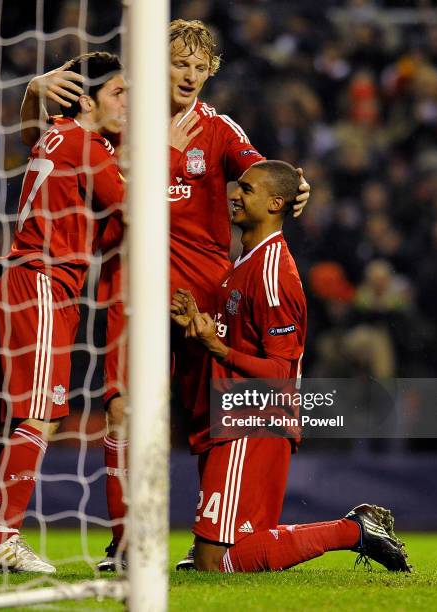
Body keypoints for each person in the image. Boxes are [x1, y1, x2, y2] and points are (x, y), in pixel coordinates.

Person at [19, 19, 311, 571]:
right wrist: (33, 93)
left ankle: (213, 536)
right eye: (181, 63)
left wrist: (295, 187)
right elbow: (44, 138)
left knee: (208, 419)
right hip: (131, 288)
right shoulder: (120, 121)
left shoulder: (220, 129)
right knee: (125, 413)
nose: (191, 76)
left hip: (204, 296)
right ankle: (127, 542)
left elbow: (262, 175)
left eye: (201, 68)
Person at [170, 160, 410, 573]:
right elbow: (241, 339)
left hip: (254, 420)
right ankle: (356, 530)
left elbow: (283, 371)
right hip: (238, 418)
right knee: (223, 554)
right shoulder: (245, 262)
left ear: (276, 202)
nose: (234, 195)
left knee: (213, 561)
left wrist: (219, 349)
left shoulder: (272, 272)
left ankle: (354, 531)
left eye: (246, 189)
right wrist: (203, 326)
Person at [0, 52, 127, 573]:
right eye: (119, 94)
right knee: (38, 416)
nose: (129, 104)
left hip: (22, 282)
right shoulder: (87, 146)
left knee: (19, 420)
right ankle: (1, 538)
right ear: (87, 101)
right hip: (42, 283)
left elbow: (27, 129)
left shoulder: (57, 133)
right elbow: (136, 211)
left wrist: (35, 91)